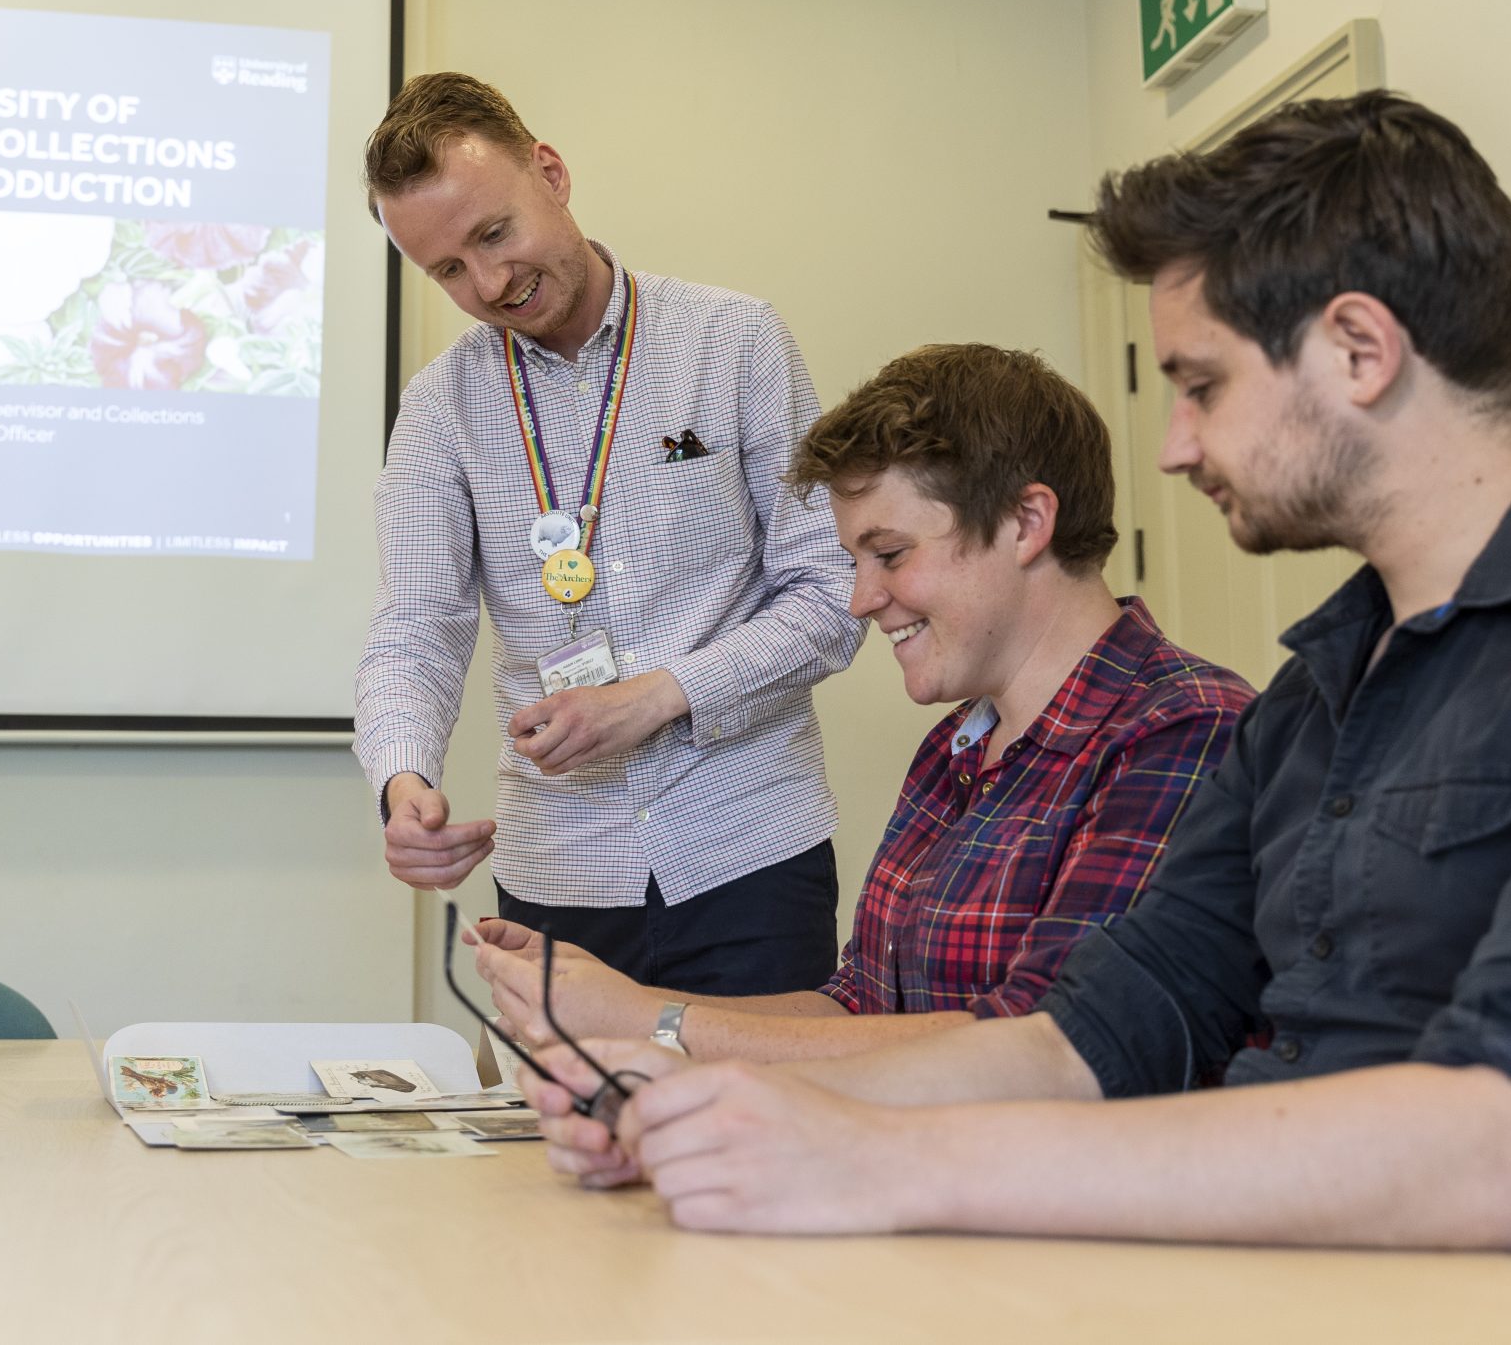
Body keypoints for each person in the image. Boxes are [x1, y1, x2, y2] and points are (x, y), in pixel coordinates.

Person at [522, 91, 1511, 1295]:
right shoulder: (1313, 696)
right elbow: (1081, 1043)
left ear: (1359, 347)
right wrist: (701, 1092)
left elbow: (1510, 1151)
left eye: (1202, 384)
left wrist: (878, 1159)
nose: (1172, 446)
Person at [472, 343, 1250, 1062]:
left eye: (889, 554)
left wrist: (652, 1023)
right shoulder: (957, 750)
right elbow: (861, 1008)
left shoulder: (1183, 732)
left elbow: (1040, 1047)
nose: (860, 599)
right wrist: (605, 999)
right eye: (855, 560)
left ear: (1027, 522)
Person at [355, 72, 863, 995]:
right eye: (448, 271)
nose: (490, 283)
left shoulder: (734, 341)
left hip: (750, 850)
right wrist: (401, 779)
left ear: (550, 172)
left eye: (494, 234)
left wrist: (658, 696)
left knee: (757, 1130)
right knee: (560, 1142)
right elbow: (416, 627)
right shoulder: (438, 409)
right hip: (557, 869)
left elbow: (833, 593)